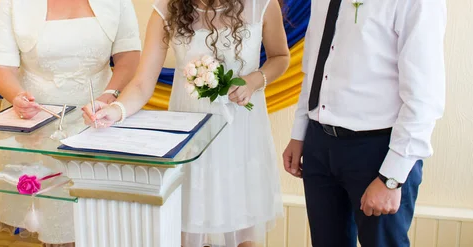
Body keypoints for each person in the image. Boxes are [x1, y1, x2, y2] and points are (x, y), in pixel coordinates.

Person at [81, 0, 289, 246]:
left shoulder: (261, 4)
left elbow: (280, 57)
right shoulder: (167, 9)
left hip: (241, 131)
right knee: (187, 225)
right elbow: (142, 83)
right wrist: (115, 110)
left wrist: (254, 80)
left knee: (243, 226)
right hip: (190, 135)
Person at [283, 0, 446, 246]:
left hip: (378, 151)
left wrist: (392, 178)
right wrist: (300, 132)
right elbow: (315, 65)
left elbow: (424, 97)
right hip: (319, 143)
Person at [0, 0, 141, 245]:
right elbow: (0, 65)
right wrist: (16, 96)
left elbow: (129, 56)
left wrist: (109, 96)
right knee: (53, 219)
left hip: (99, 116)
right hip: (38, 123)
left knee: (101, 217)